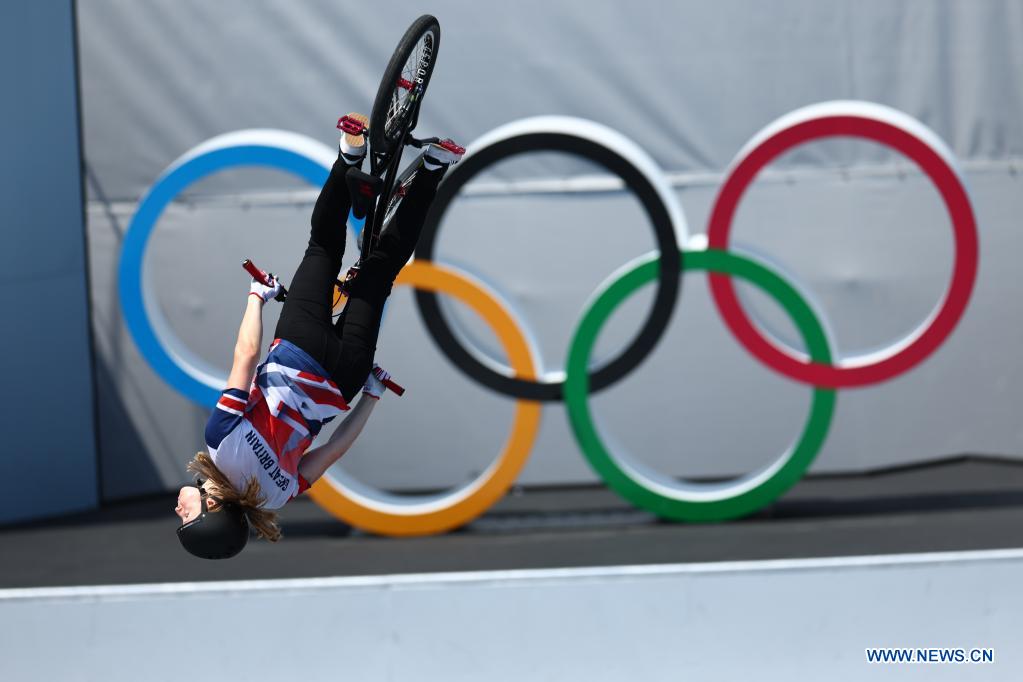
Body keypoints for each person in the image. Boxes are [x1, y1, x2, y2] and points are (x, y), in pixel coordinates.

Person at [175, 112, 464, 559]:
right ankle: (350, 153)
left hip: (346, 377)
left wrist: (371, 396)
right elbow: (246, 355)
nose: (179, 508)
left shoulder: (275, 498)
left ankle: (435, 165)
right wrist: (257, 296)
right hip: (299, 347)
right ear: (211, 507)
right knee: (324, 246)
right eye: (187, 515)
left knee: (382, 271)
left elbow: (332, 451)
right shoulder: (220, 442)